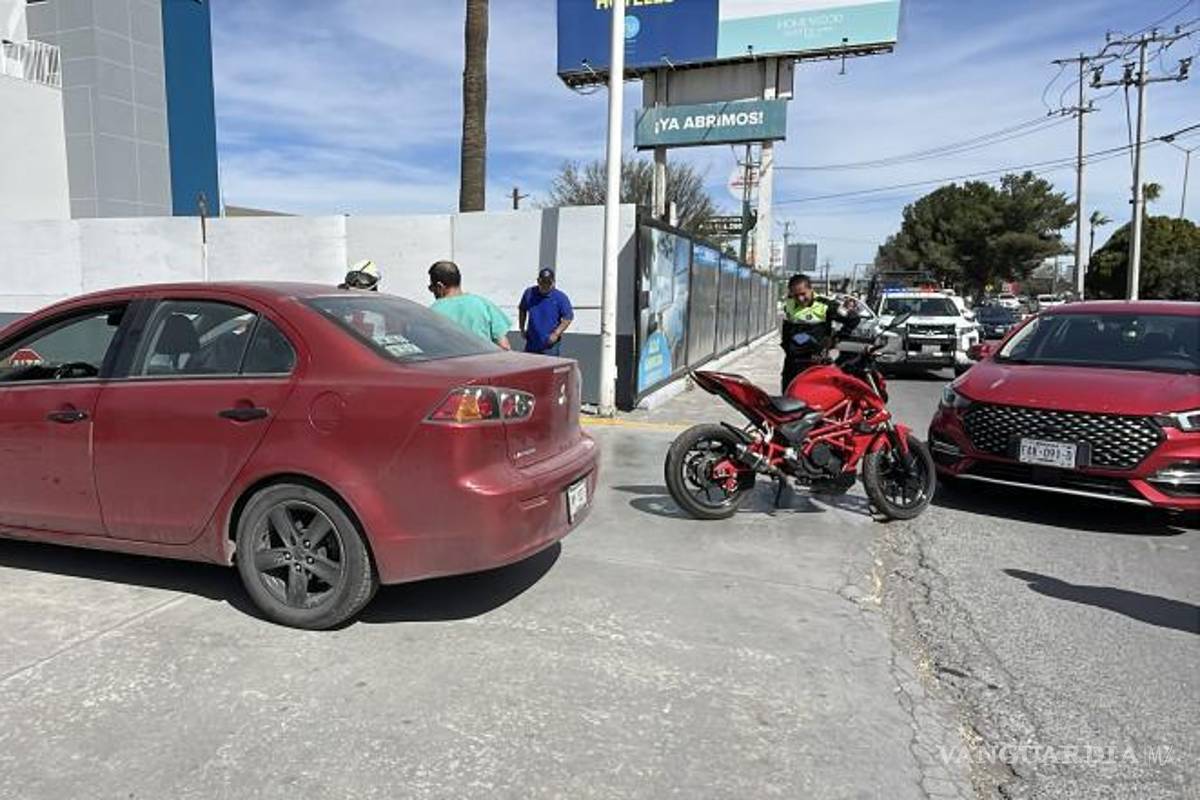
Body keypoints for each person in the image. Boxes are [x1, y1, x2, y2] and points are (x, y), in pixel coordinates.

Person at [780, 274, 858, 393]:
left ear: (811, 290)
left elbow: (853, 319)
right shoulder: (789, 305)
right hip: (792, 365)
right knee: (788, 401)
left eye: (803, 294)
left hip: (814, 364)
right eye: (796, 295)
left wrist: (835, 339)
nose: (800, 299)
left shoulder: (826, 305)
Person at [427, 260, 512, 349]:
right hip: (483, 360)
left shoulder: (431, 313)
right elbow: (504, 346)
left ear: (440, 286)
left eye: (431, 288)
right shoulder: (483, 304)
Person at [518, 267, 574, 356]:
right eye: (543, 282)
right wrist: (521, 328)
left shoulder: (560, 297)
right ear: (538, 281)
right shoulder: (529, 293)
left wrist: (556, 334)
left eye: (548, 283)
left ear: (553, 282)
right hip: (532, 343)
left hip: (550, 345)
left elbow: (568, 317)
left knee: (549, 368)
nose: (545, 286)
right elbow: (522, 309)